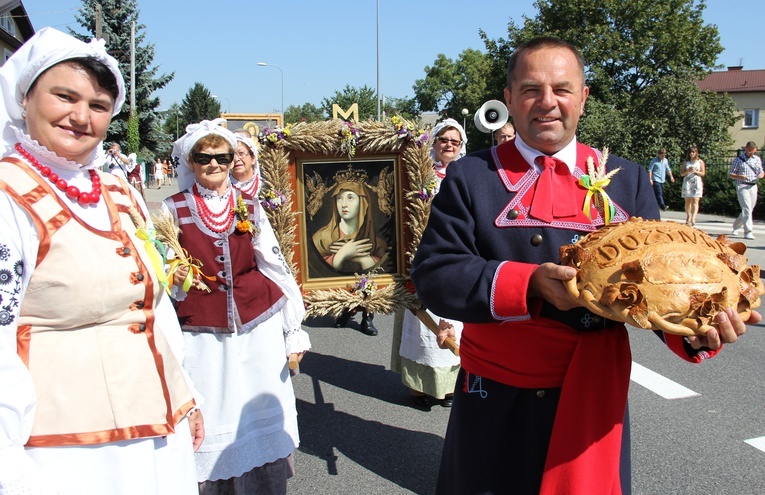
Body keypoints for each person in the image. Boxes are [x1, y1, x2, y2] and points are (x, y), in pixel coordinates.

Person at [410, 36, 756, 495]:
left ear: (583, 97)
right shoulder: (472, 176)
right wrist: (529, 283)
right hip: (498, 393)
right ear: (509, 99)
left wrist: (699, 325)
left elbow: (659, 284)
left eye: (562, 88)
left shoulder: (628, 178)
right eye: (531, 89)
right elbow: (435, 275)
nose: (547, 103)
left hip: (594, 392)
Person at [0, 27, 204, 494]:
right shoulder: (8, 197)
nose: (80, 116)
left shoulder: (117, 191)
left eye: (97, 105)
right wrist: (7, 462)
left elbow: (153, 306)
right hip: (65, 449)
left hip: (156, 431)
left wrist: (185, 392)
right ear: (25, 99)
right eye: (64, 97)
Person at [162, 118, 311, 494]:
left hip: (256, 322)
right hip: (202, 331)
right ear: (190, 162)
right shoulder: (170, 210)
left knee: (258, 407)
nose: (214, 165)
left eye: (222, 157)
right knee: (213, 408)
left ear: (232, 160)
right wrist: (174, 277)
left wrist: (293, 328)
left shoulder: (249, 205)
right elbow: (159, 270)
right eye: (204, 157)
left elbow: (272, 262)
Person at [391, 118, 466, 410]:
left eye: (454, 141)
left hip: (455, 256)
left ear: (461, 147)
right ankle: (418, 389)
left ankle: (446, 389)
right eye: (444, 139)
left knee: (453, 319)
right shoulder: (420, 175)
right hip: (422, 255)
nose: (449, 145)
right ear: (434, 143)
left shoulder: (465, 177)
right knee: (421, 322)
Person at [729, 141, 763, 240]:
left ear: (755, 150)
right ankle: (748, 231)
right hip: (742, 186)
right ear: (745, 149)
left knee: (748, 209)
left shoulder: (757, 159)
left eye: (752, 152)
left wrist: (761, 175)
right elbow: (731, 174)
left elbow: (760, 171)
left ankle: (736, 226)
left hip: (753, 186)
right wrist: (740, 176)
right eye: (748, 151)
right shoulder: (739, 160)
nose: (750, 153)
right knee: (747, 208)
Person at [680, 145, 705, 226]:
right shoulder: (686, 162)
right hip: (688, 181)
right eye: (690, 152)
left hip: (696, 181)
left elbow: (703, 173)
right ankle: (688, 216)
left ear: (696, 153)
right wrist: (688, 170)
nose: (691, 154)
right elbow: (682, 174)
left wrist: (696, 171)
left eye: (693, 152)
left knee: (695, 199)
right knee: (688, 200)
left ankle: (694, 217)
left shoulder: (700, 162)